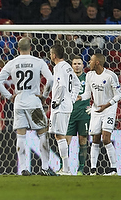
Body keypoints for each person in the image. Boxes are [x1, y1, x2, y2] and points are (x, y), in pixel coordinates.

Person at [0, 37, 56, 176]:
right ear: (31, 48)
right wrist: (45, 95)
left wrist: (9, 96)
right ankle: (45, 168)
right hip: (34, 101)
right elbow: (51, 79)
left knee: (21, 136)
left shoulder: (12, 63)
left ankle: (23, 169)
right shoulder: (38, 62)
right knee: (42, 134)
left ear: (18, 48)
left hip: (19, 102)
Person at [77, 53, 121, 176]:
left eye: (91, 60)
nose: (89, 62)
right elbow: (87, 94)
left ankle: (113, 169)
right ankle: (93, 170)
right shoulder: (89, 76)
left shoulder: (110, 76)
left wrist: (107, 105)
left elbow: (118, 95)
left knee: (106, 138)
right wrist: (80, 97)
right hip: (96, 110)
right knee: (95, 139)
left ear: (97, 62)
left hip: (109, 109)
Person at [48, 44, 81, 175]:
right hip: (67, 105)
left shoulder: (58, 67)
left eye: (51, 53)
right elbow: (77, 84)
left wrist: (57, 101)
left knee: (60, 135)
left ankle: (66, 169)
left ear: (54, 55)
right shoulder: (68, 66)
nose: (50, 55)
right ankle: (65, 168)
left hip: (60, 106)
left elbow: (61, 86)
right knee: (59, 135)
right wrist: (71, 99)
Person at [58, 56, 90, 175]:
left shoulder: (87, 78)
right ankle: (63, 167)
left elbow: (91, 93)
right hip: (69, 113)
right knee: (65, 141)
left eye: (79, 63)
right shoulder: (67, 78)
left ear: (83, 65)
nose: (77, 65)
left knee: (83, 140)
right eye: (75, 63)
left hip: (83, 113)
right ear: (71, 66)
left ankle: (81, 168)